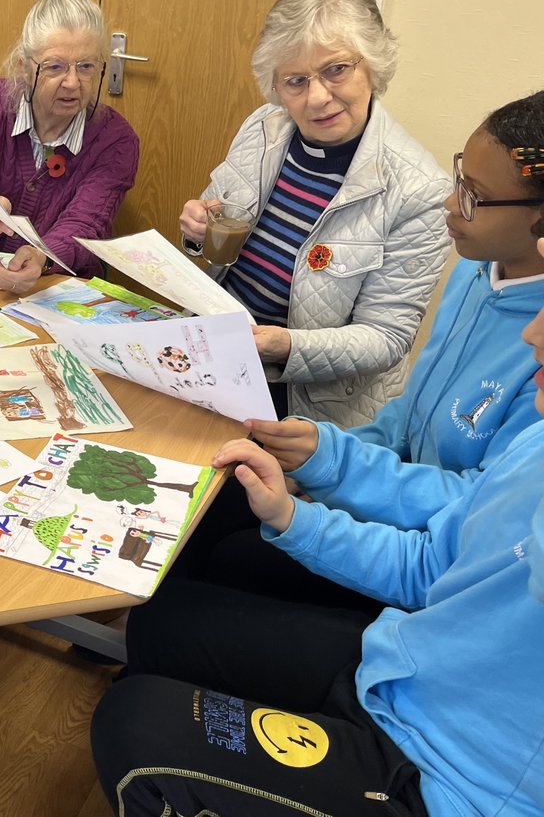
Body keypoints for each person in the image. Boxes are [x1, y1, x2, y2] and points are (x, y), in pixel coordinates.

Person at [90, 240, 544, 815]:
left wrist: (339, 473)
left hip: (448, 780)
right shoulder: (535, 444)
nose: (531, 337)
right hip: (402, 673)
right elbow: (432, 563)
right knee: (163, 620)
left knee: (135, 728)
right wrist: (294, 514)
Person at [182, 91, 544, 603]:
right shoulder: (476, 270)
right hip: (387, 496)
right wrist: (325, 455)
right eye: (459, 179)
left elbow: (470, 515)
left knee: (217, 564)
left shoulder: (536, 350)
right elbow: (414, 415)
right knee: (216, 520)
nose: (449, 203)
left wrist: (337, 472)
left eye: (473, 196)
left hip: (421, 556)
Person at [179, 0, 450, 425]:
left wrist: (283, 345)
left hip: (309, 406)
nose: (318, 98)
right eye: (295, 81)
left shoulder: (419, 190)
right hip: (218, 354)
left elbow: (386, 338)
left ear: (373, 64)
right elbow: (213, 238)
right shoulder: (264, 127)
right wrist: (197, 230)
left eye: (336, 70)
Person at [0, 0, 140, 294]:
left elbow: (87, 226)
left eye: (87, 66)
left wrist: (42, 255)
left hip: (52, 289)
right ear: (24, 67)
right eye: (55, 67)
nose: (73, 83)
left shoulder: (115, 140)